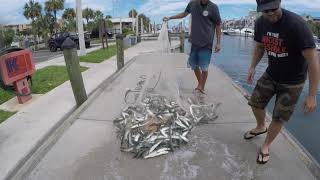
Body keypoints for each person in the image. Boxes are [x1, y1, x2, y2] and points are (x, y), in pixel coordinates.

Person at [244, 0, 319, 164]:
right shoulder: (260, 23)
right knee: (255, 102)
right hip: (271, 74)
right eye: (265, 10)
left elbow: (313, 62)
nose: (270, 13)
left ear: (280, 3)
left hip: (293, 82)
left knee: (279, 117)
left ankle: (266, 145)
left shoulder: (297, 25)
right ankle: (261, 126)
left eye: (273, 8)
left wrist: (312, 95)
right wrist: (252, 67)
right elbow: (260, 48)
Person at [163, 0, 222, 94]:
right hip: (194, 43)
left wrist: (218, 43)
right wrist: (170, 17)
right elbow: (184, 14)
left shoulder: (213, 7)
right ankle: (200, 84)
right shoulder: (192, 4)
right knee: (194, 66)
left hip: (206, 43)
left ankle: (201, 87)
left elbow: (218, 25)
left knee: (204, 68)